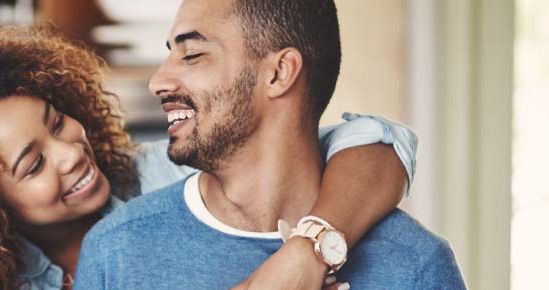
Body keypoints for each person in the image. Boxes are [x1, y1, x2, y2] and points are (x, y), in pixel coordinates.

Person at [0, 26, 417, 290]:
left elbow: (376, 139)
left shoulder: (166, 173)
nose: (71, 153)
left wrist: (305, 253)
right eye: (33, 164)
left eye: (56, 122)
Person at [73, 0, 465, 289]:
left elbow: (382, 140)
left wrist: (307, 251)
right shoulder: (115, 253)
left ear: (279, 73)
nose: (158, 81)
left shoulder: (416, 266)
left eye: (192, 55)